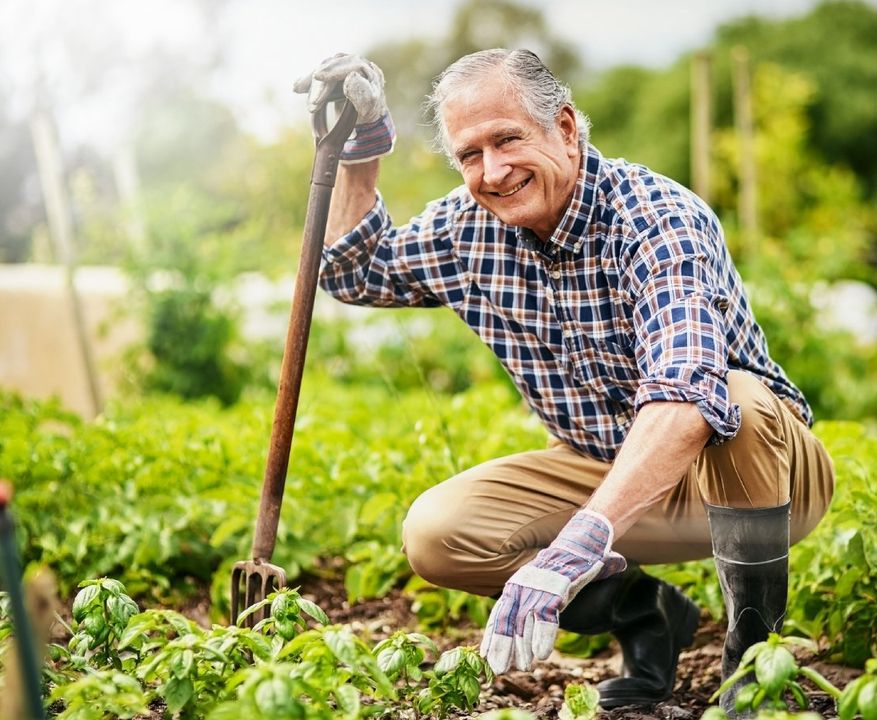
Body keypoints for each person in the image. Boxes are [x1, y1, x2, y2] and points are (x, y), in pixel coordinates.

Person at [294, 49, 835, 716]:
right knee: (438, 533)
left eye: (508, 139)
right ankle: (649, 615)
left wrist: (576, 546)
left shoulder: (657, 218)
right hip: (600, 468)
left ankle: (754, 667)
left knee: (740, 406)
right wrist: (360, 146)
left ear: (568, 127)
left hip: (758, 475)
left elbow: (688, 393)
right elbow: (354, 271)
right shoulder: (468, 229)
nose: (492, 171)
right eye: (470, 154)